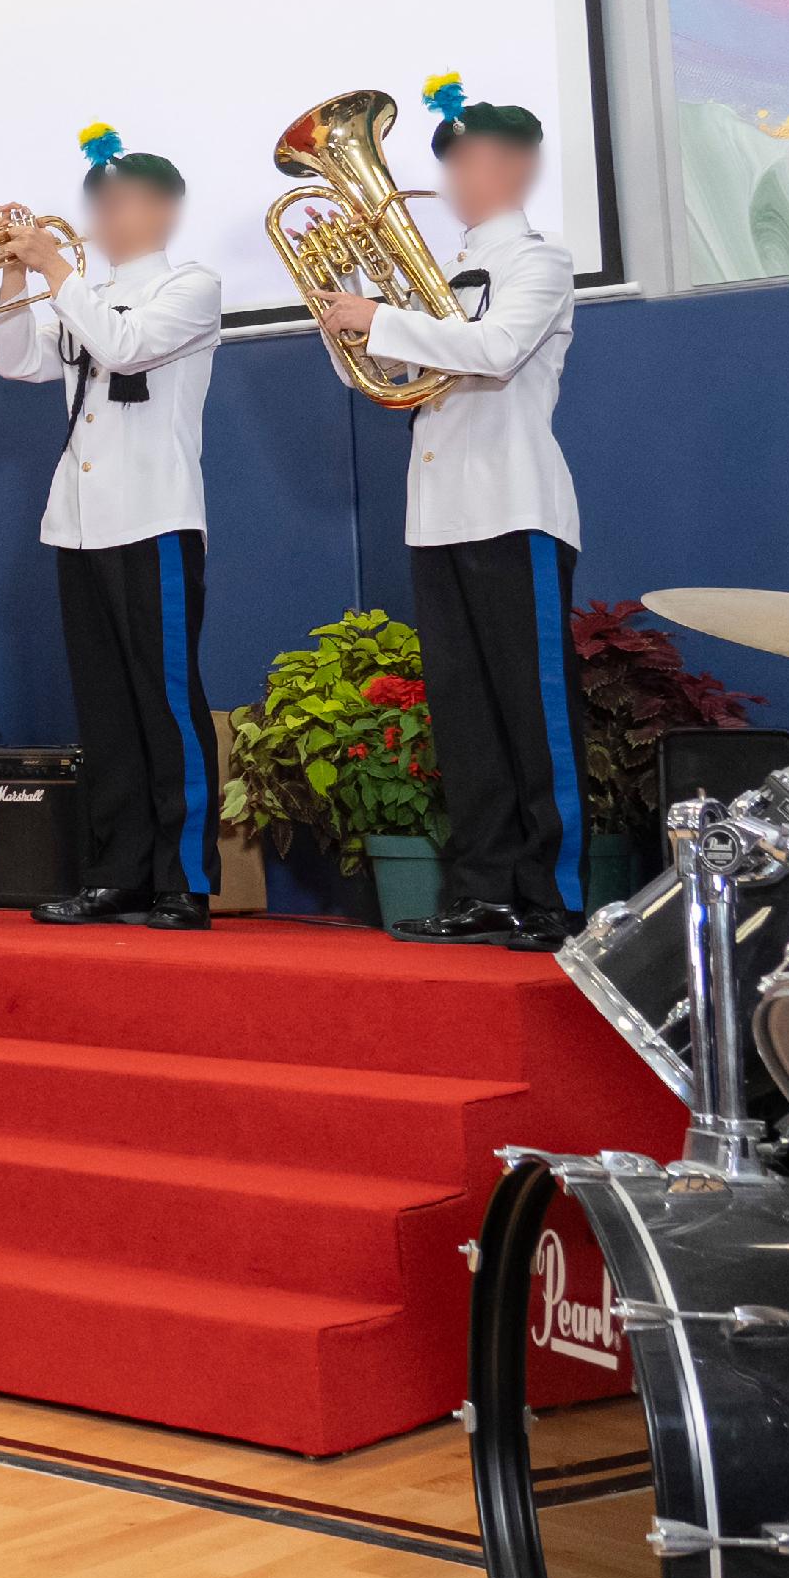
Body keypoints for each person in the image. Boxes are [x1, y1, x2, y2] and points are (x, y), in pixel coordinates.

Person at [316, 75, 587, 952]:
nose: (458, 179)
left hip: (515, 505)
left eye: (473, 162)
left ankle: (554, 895)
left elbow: (497, 350)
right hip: (437, 514)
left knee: (533, 710)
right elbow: (386, 376)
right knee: (464, 716)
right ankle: (482, 887)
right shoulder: (433, 276)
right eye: (453, 164)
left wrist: (381, 315)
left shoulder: (539, 261)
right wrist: (344, 312)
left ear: (514, 168)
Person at [0, 129, 227, 930]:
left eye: (120, 203)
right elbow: (15, 360)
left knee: (165, 700)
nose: (103, 218)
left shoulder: (190, 285)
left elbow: (125, 347)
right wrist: (15, 273)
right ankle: (118, 871)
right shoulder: (81, 294)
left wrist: (57, 269)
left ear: (161, 211)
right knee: (105, 708)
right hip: (80, 523)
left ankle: (183, 877)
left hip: (154, 515)